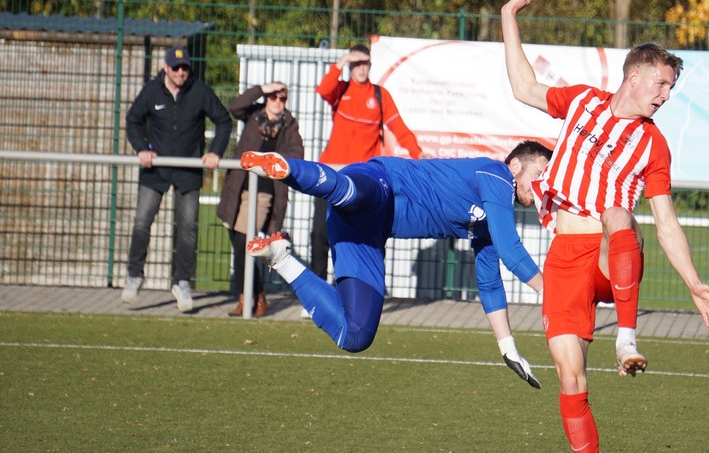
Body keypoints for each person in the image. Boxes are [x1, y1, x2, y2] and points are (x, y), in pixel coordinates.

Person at [501, 0, 709, 451]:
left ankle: (626, 339)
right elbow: (523, 88)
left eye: (671, 88)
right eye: (661, 84)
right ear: (634, 75)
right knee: (570, 376)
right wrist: (508, 16)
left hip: (610, 253)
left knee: (618, 211)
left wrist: (693, 281)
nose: (666, 96)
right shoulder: (583, 102)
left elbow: (666, 222)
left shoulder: (653, 144)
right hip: (564, 258)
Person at [241, 140, 551, 387]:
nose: (541, 185)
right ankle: (286, 168)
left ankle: (280, 258)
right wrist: (551, 292)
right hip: (380, 183)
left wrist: (508, 347)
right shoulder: (497, 175)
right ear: (515, 165)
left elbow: (490, 283)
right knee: (352, 195)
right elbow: (511, 250)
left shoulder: (491, 217)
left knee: (355, 336)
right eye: (539, 174)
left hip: (365, 235)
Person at [122, 45, 233, 312]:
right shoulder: (152, 91)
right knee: (142, 222)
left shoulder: (200, 91)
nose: (181, 72)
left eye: (185, 68)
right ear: (165, 68)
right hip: (156, 169)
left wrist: (215, 152)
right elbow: (133, 120)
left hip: (187, 169)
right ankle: (134, 275)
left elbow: (223, 121)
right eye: (175, 68)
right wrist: (141, 149)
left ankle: (182, 282)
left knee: (188, 228)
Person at [310, 43, 423, 282]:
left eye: (366, 64)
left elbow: (399, 128)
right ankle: (318, 289)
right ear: (350, 66)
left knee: (355, 237)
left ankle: (351, 289)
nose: (362, 68)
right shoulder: (341, 90)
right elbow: (323, 89)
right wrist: (342, 61)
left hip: (360, 178)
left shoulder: (380, 95)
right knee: (320, 233)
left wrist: (418, 153)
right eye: (357, 64)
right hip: (331, 171)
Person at [216, 82, 304, 317]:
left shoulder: (289, 124)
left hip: (264, 192)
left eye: (282, 98)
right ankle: (257, 296)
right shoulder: (254, 115)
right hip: (238, 188)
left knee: (244, 243)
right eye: (273, 97)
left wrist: (271, 160)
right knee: (238, 242)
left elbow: (297, 154)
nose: (277, 102)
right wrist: (261, 89)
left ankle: (248, 299)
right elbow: (236, 107)